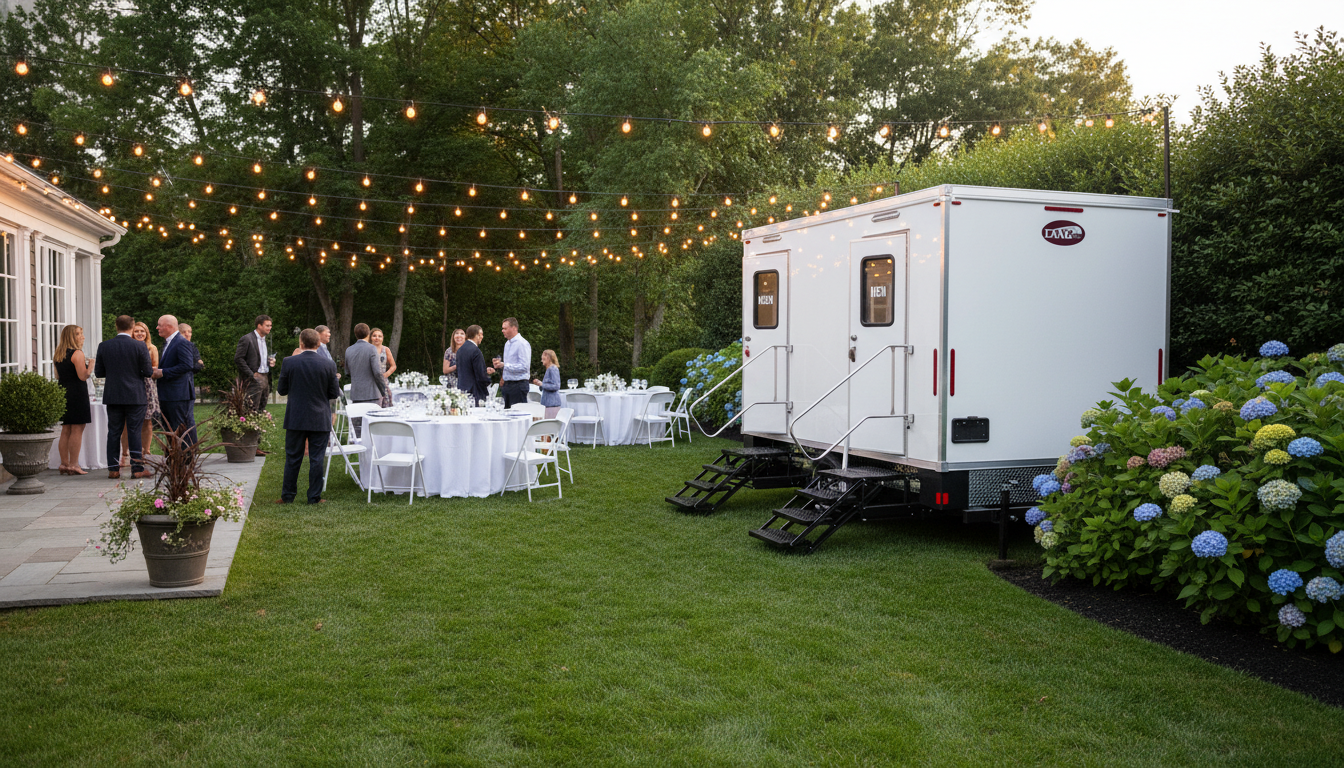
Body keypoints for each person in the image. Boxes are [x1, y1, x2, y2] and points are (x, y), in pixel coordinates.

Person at [277, 329, 341, 505]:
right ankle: (314, 497)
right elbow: (334, 393)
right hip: (319, 417)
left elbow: (281, 390)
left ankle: (287, 496)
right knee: (317, 458)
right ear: (318, 344)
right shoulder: (328, 364)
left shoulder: (289, 362)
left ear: (301, 343)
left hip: (296, 417)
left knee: (293, 458)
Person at [94, 315, 153, 479]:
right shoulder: (139, 346)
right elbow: (148, 372)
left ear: (116, 326)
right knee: (134, 431)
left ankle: (113, 468)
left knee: (114, 431)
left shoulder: (104, 346)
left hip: (113, 394)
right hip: (135, 395)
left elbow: (99, 372)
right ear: (132, 327)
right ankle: (137, 468)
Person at [53, 324, 93, 475]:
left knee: (66, 429)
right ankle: (74, 464)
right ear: (71, 337)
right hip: (77, 393)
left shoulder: (58, 354)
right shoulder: (77, 353)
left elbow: (57, 376)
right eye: (78, 334)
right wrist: (91, 366)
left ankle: (64, 464)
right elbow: (83, 376)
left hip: (63, 392)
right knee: (77, 428)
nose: (82, 337)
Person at [154, 315, 198, 448]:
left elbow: (187, 365)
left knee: (180, 429)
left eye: (159, 325)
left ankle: (185, 457)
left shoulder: (181, 342)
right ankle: (174, 456)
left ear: (169, 326)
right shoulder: (168, 342)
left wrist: (163, 372)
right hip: (169, 395)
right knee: (170, 428)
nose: (157, 328)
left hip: (178, 395)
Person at [235, 315, 275, 455]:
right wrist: (251, 375)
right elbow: (238, 359)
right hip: (253, 380)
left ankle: (255, 445)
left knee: (260, 411)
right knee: (251, 411)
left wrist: (270, 363)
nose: (270, 328)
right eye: (267, 325)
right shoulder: (247, 339)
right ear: (259, 325)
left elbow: (259, 359)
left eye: (270, 325)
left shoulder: (265, 340)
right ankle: (248, 446)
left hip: (265, 378)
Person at [121, 321, 160, 464]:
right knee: (127, 421)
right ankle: (125, 451)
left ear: (146, 333)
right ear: (132, 333)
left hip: (147, 386)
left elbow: (155, 368)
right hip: (130, 385)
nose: (139, 333)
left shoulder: (152, 348)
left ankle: (146, 450)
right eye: (136, 331)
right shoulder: (127, 347)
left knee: (147, 420)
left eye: (142, 331)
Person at [492, 317, 532, 409]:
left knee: (518, 413)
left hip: (518, 385)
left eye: (505, 328)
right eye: (502, 328)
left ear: (514, 328)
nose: (502, 331)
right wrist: (500, 366)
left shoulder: (522, 343)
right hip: (507, 385)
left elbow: (524, 367)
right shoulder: (507, 344)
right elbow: (509, 364)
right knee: (506, 413)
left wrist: (505, 365)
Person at [345, 323, 388, 405]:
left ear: (355, 334)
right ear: (368, 334)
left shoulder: (348, 350)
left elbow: (347, 372)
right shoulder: (372, 348)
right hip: (372, 395)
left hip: (356, 395)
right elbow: (377, 372)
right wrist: (383, 390)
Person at [455, 325, 491, 405]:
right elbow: (481, 376)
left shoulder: (460, 350)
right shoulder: (476, 351)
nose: (482, 337)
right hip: (475, 393)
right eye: (481, 334)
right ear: (476, 335)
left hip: (462, 392)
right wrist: (489, 381)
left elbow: (461, 371)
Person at [369, 327, 396, 407]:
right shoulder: (367, 349)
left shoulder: (386, 349)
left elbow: (393, 366)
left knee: (385, 403)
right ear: (370, 337)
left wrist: (385, 375)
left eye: (379, 336)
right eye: (374, 336)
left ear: (382, 338)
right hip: (370, 381)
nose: (377, 338)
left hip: (383, 382)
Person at [534, 349, 562, 419]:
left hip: (552, 404)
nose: (542, 361)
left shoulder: (553, 369)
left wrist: (542, 384)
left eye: (543, 359)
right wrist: (540, 384)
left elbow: (556, 386)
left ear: (549, 359)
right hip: (548, 404)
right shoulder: (549, 369)